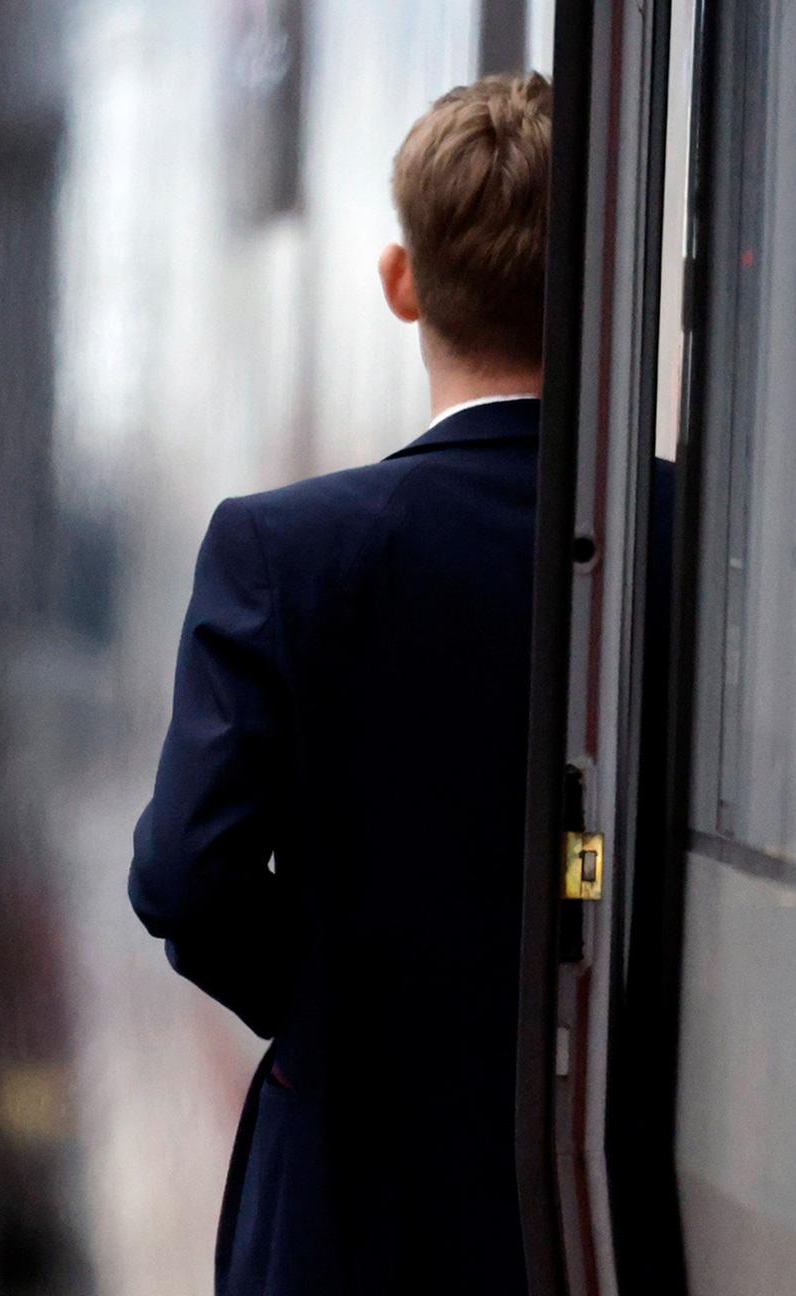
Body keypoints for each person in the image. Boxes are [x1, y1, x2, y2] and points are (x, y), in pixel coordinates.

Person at [130, 73, 552, 1295]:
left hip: (346, 1208)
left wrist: (332, 1011)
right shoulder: (695, 538)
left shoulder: (287, 549)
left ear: (401, 282)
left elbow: (185, 875)